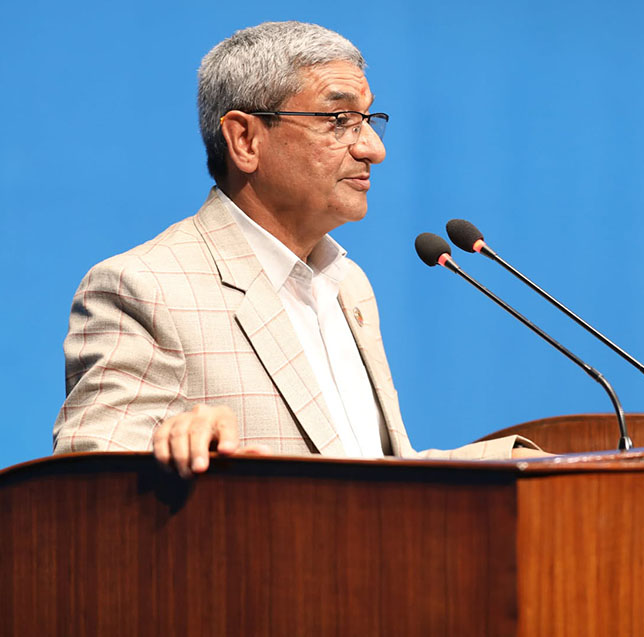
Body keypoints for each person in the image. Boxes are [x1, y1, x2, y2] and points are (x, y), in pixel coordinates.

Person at [53, 21, 540, 476]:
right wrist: (196, 461)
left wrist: (533, 466)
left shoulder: (348, 286)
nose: (373, 148)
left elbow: (367, 472)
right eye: (340, 119)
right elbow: (89, 481)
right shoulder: (145, 287)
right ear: (245, 140)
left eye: (369, 119)